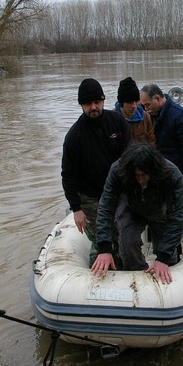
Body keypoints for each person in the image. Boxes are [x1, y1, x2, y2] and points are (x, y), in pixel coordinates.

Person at [91, 143, 183, 284]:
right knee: (127, 243)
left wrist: (163, 258)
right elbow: (105, 206)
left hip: (159, 209)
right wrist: (104, 247)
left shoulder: (171, 174)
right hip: (131, 206)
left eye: (144, 175)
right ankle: (136, 274)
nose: (140, 180)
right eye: (136, 176)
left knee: (166, 250)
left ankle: (168, 270)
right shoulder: (118, 170)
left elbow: (177, 217)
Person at [61, 78, 130, 263]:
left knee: (123, 233)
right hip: (91, 197)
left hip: (118, 191)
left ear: (103, 101)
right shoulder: (74, 136)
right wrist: (76, 208)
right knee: (101, 239)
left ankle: (124, 266)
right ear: (81, 105)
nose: (93, 107)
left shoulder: (117, 121)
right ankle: (97, 272)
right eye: (88, 103)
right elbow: (68, 175)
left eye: (97, 102)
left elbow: (130, 155)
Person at [140, 83, 183, 192]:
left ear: (157, 99)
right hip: (158, 172)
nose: (146, 109)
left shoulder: (180, 116)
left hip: (176, 172)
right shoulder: (149, 115)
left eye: (147, 105)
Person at [114, 77, 155, 146]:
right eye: (130, 102)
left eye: (136, 101)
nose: (134, 106)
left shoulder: (145, 117)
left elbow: (151, 142)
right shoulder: (112, 119)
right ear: (121, 103)